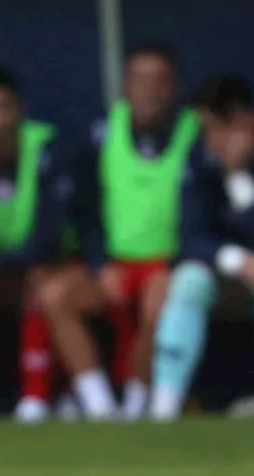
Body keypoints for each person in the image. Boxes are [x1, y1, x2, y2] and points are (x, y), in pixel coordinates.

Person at [46, 45, 198, 420]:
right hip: (115, 265)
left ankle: (138, 401)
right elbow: (83, 211)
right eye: (139, 80)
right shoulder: (99, 136)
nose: (149, 90)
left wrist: (178, 262)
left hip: (170, 264)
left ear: (174, 87)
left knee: (161, 300)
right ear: (125, 85)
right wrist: (101, 265)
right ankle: (99, 404)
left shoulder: (195, 135)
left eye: (158, 81)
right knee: (56, 296)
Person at [150, 75, 254, 420]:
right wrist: (239, 261)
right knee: (188, 280)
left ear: (246, 121)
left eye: (215, 128)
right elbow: (189, 237)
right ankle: (163, 408)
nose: (209, 139)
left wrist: (238, 175)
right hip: (228, 274)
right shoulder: (198, 160)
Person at [0, 66, 74, 423]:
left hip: (40, 263)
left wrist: (0, 262)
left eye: (1, 108)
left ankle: (35, 402)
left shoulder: (48, 148)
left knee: (44, 284)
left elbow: (52, 231)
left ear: (18, 110)